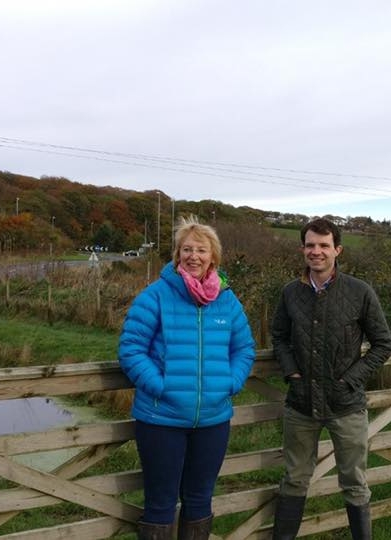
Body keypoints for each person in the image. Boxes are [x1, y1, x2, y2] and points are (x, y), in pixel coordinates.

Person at [118, 215, 256, 540]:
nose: (194, 256)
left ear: (214, 257)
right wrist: (161, 386)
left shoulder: (227, 301)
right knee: (161, 503)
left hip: (213, 419)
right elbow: (131, 348)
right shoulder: (155, 296)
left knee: (199, 500)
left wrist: (230, 383)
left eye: (201, 250)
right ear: (177, 254)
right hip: (160, 418)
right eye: (187, 249)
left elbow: (245, 349)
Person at [271, 218, 391, 540]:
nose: (316, 251)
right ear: (302, 249)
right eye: (310, 245)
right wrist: (292, 373)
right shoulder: (290, 293)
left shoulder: (360, 292)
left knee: (354, 482)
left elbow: (383, 344)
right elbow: (279, 337)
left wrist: (350, 380)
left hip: (346, 405)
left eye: (324, 245)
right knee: (295, 478)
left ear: (337, 250)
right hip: (301, 403)